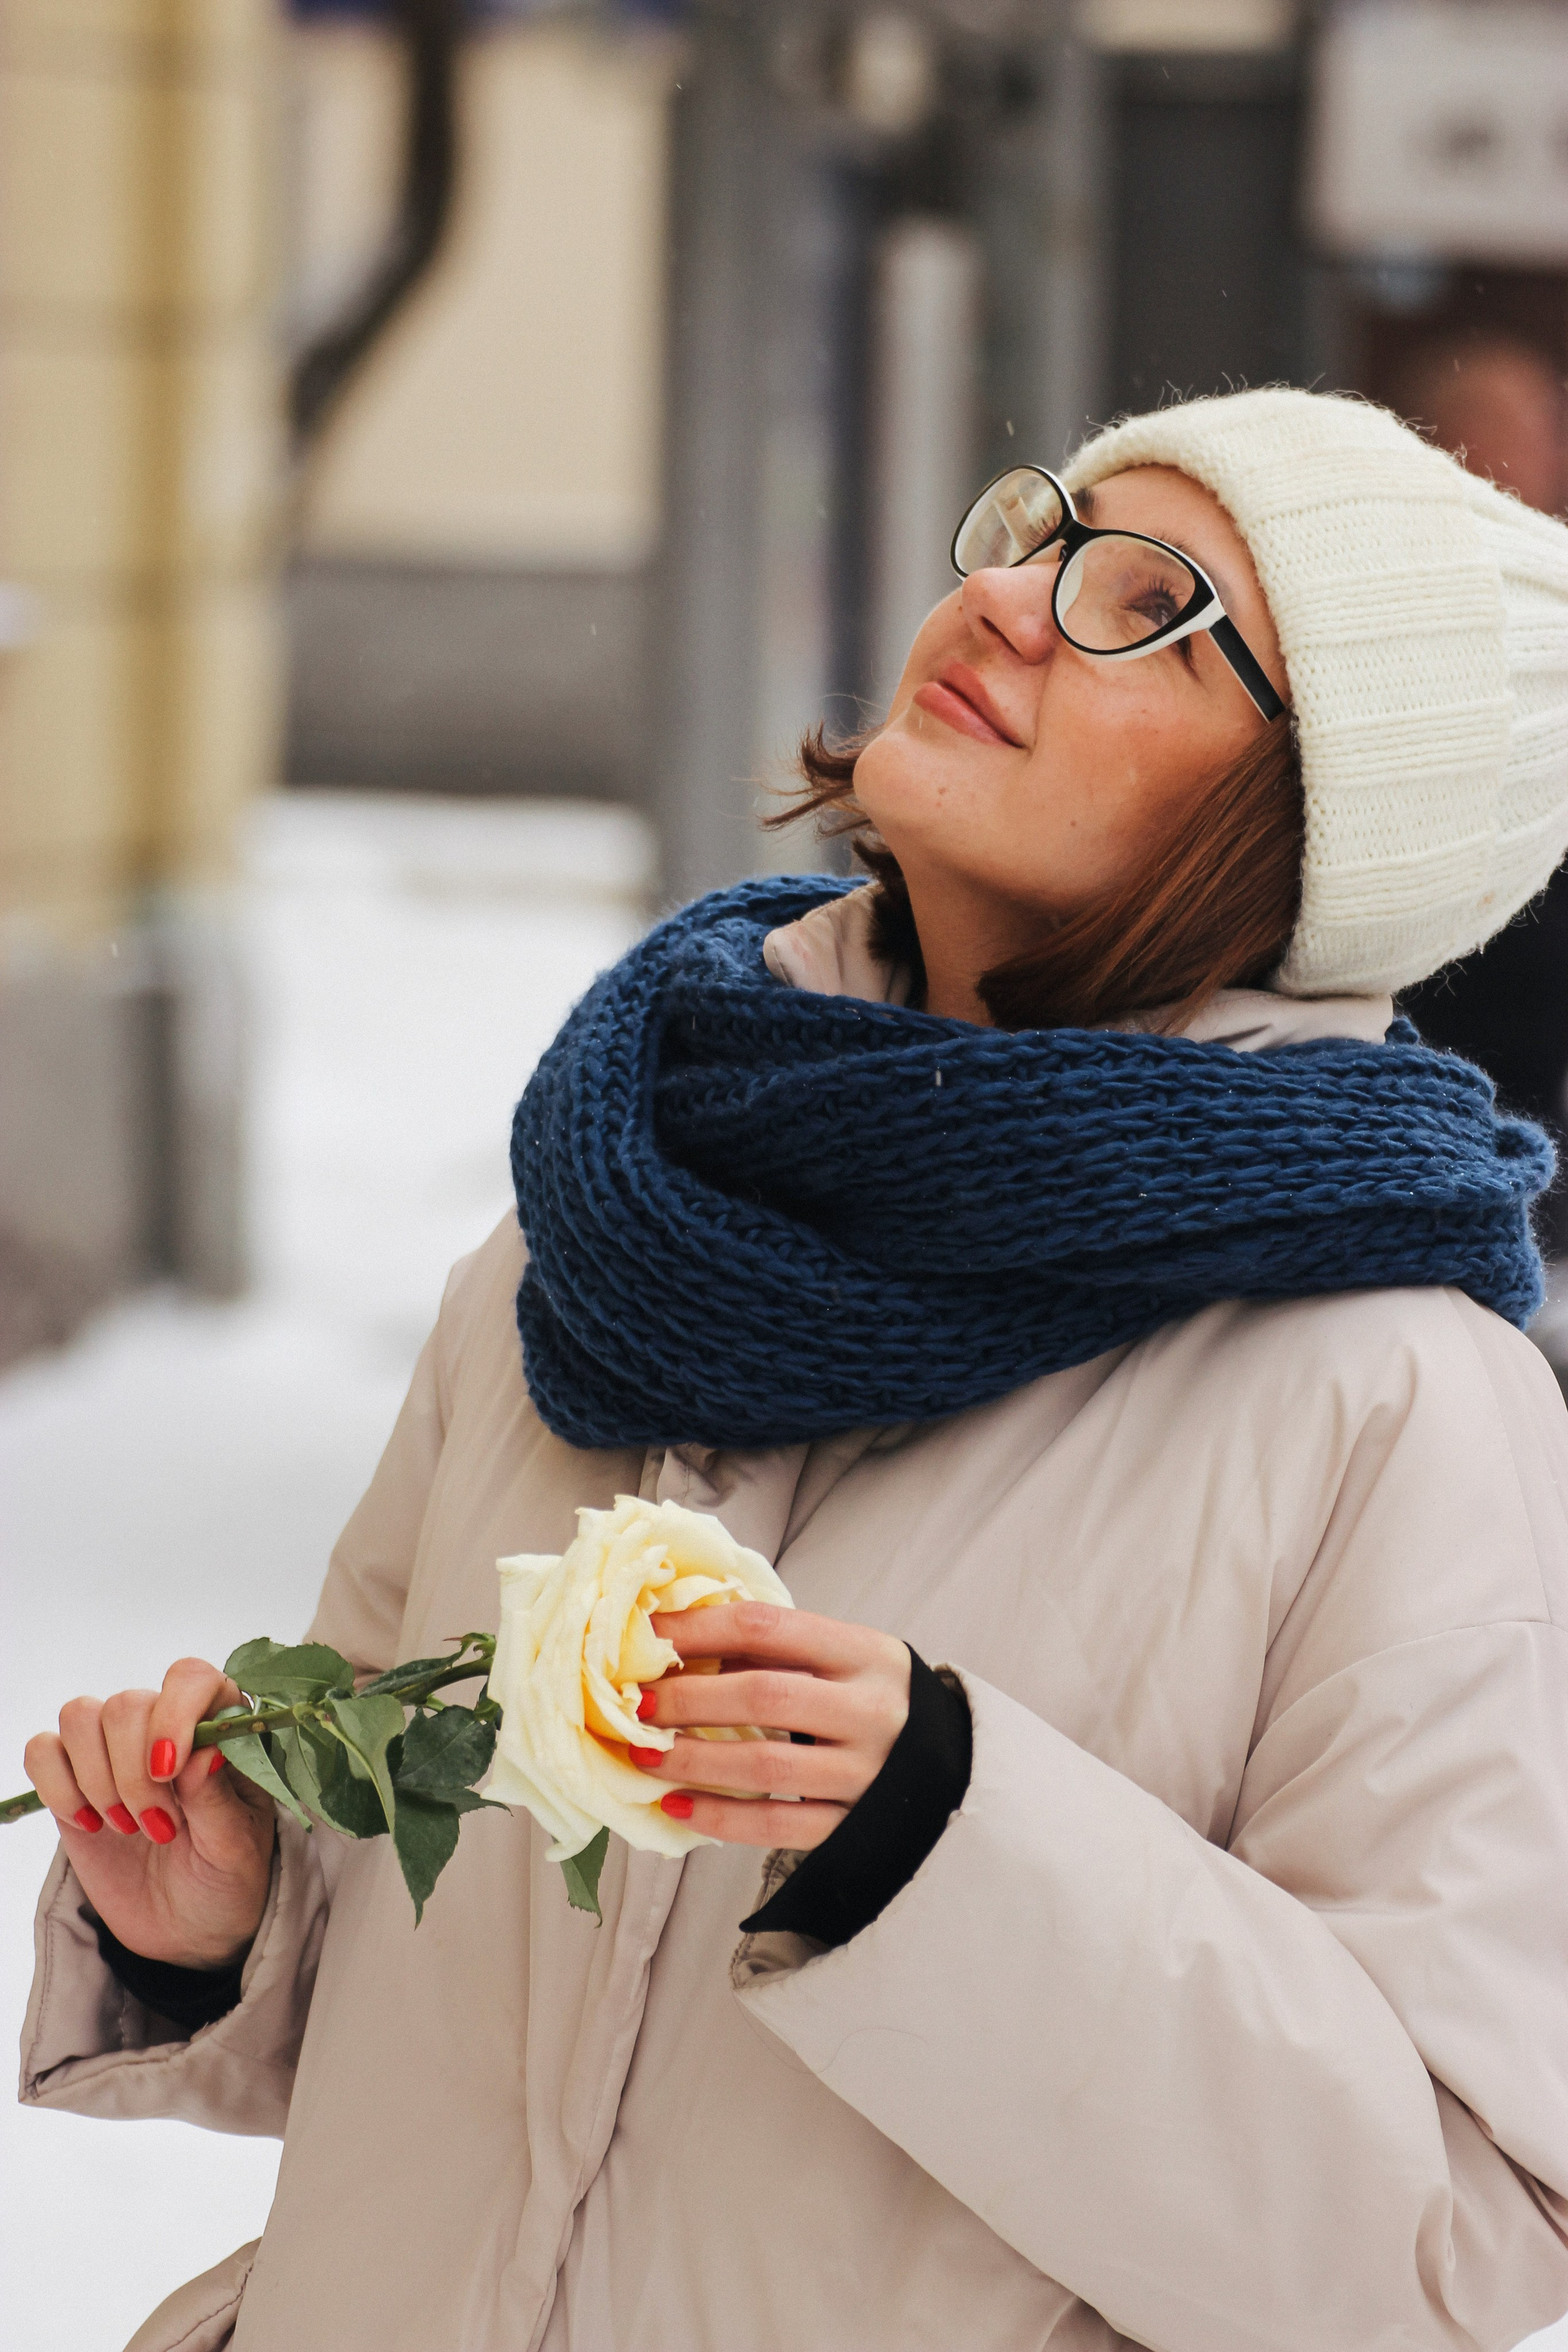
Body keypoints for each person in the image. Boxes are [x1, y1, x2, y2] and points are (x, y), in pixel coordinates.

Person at [19, 388, 1568, 2352]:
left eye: (1147, 606)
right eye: (1039, 534)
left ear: (1321, 818)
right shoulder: (595, 1229)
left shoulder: (1395, 1400)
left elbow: (1438, 2242)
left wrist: (938, 1837)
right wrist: (234, 1921)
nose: (1014, 602)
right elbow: (452, 2014)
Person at [1389, 333, 1568, 1250]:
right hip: (1417, 982)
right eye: (1530, 425)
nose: (1554, 450)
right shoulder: (1387, 590)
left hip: (1529, 996)